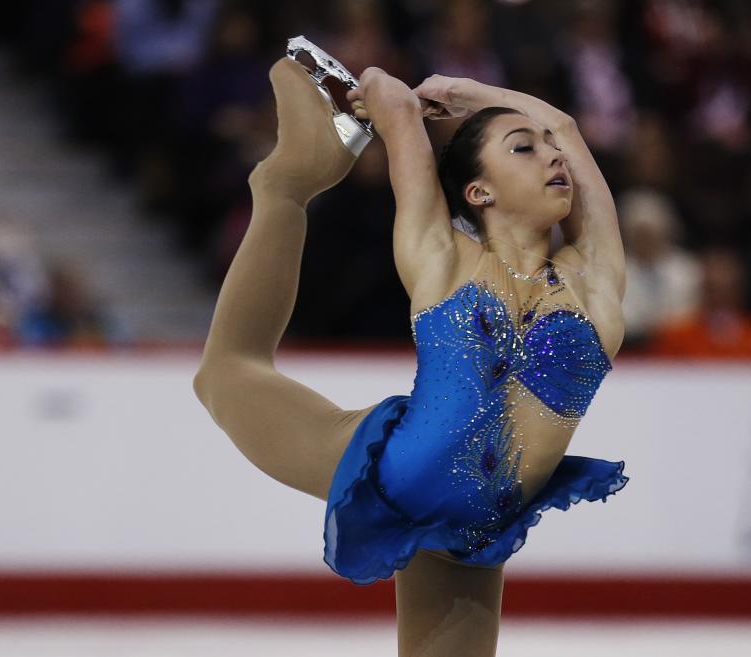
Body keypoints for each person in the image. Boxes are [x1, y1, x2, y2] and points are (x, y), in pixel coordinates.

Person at [193, 57, 629, 657]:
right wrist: (391, 99)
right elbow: (390, 98)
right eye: (523, 149)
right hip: (377, 466)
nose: (553, 156)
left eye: (548, 150)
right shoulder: (442, 256)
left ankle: (293, 178)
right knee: (225, 373)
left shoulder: (595, 281)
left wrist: (472, 92)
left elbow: (568, 129)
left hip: (472, 538)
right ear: (478, 191)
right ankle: (284, 185)